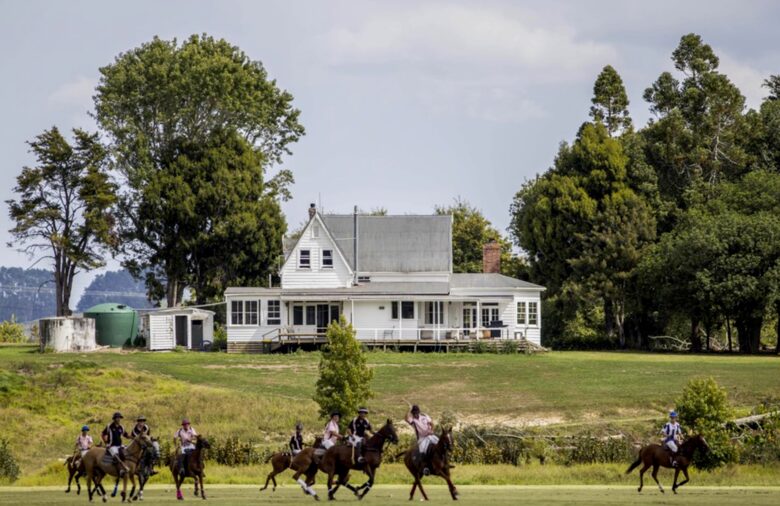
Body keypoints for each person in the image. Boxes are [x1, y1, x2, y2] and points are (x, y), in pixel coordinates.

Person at [405, 404, 438, 475]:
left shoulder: (425, 416)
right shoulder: (413, 420)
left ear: (419, 412)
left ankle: (444, 462)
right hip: (421, 438)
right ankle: (425, 468)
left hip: (430, 435)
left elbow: (432, 423)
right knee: (423, 451)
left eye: (416, 412)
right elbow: (406, 418)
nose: (415, 414)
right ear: (412, 413)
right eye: (414, 413)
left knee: (441, 445)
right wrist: (408, 409)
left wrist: (431, 430)